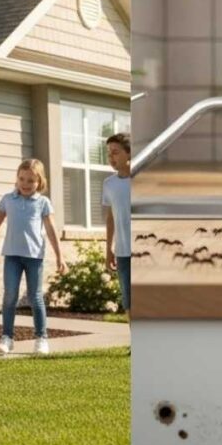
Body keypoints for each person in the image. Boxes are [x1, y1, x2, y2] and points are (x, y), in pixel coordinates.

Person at [0, 158, 67, 356]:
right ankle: (7, 338)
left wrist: (60, 256)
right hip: (12, 255)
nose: (25, 184)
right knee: (10, 296)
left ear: (40, 182)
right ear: (17, 179)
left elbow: (51, 230)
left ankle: (41, 338)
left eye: (31, 180)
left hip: (34, 257)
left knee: (35, 297)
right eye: (22, 179)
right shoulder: (8, 199)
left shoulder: (42, 203)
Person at [102, 132, 131, 314]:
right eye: (109, 153)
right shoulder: (109, 184)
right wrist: (108, 249)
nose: (111, 157)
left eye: (115, 152)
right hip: (123, 252)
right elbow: (110, 218)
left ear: (129, 153)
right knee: (129, 302)